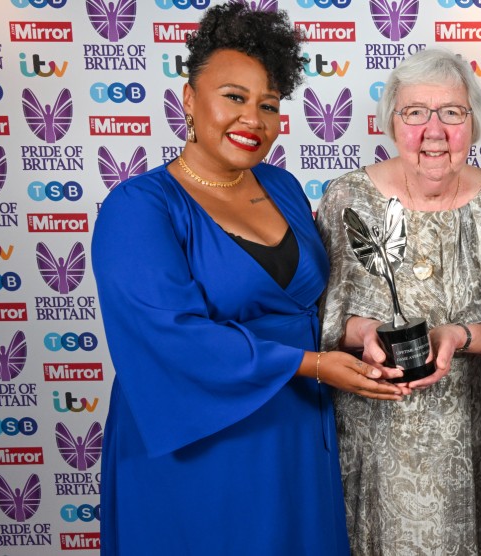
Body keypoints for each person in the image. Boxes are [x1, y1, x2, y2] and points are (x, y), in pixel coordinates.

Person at [92, 5, 402, 554]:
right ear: (189, 100)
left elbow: (309, 307)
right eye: (234, 97)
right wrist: (311, 365)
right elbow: (171, 335)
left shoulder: (282, 186)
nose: (253, 119)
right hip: (199, 439)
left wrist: (357, 332)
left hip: (295, 428)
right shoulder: (139, 207)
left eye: (268, 105)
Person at [316, 48, 481, 555]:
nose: (434, 130)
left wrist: (462, 335)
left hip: (468, 445)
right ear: (392, 122)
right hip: (369, 443)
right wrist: (364, 332)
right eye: (415, 112)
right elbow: (319, 323)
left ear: (473, 122)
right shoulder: (347, 198)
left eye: (452, 112)